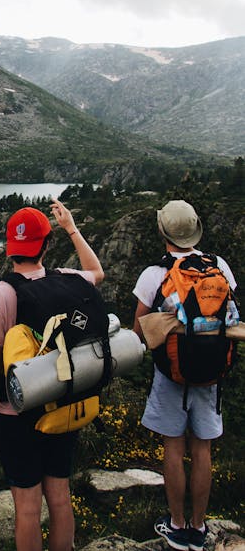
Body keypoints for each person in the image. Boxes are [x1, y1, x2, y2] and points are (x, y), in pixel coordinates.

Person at [0, 199, 104, 551]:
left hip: (16, 416)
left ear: (10, 247)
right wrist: (71, 228)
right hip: (61, 403)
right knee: (59, 494)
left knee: (27, 508)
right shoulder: (68, 279)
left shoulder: (0, 295)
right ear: (46, 245)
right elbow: (97, 273)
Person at [133, 200, 237, 551]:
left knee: (174, 448)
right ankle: (199, 526)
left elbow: (140, 331)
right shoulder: (218, 265)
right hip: (212, 375)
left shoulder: (153, 274)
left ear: (163, 232)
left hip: (170, 374)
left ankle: (177, 526)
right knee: (203, 449)